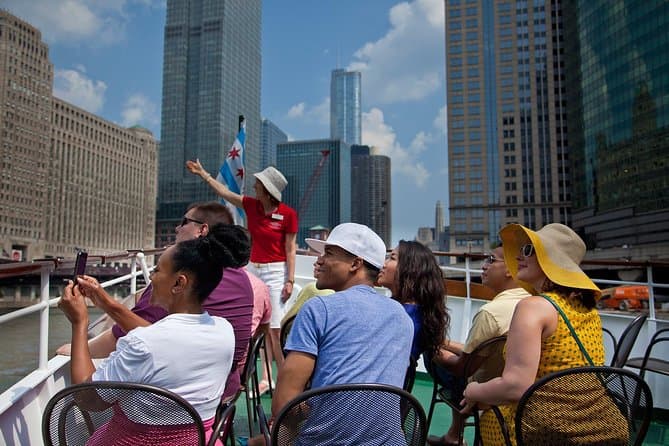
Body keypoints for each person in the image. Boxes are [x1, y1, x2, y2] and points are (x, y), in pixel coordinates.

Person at [59, 224, 247, 444]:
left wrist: (79, 323)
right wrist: (103, 300)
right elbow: (165, 344)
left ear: (179, 283)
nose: (152, 278)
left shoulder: (142, 344)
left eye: (157, 270)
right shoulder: (224, 331)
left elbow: (87, 398)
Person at [461, 223, 627, 445]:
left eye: (529, 250)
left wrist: (474, 391)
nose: (519, 255)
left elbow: (515, 387)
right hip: (602, 427)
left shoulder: (533, 307)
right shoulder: (586, 307)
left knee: (487, 417)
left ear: (551, 260)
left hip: (548, 432)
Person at [250, 223, 413, 446]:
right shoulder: (402, 317)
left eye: (329, 253)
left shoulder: (318, 309)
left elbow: (284, 405)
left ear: (356, 264)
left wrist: (318, 405)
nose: (319, 260)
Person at [186, 160, 297, 390]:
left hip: (276, 271)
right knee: (254, 326)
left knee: (274, 329)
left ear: (266, 189)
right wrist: (203, 173)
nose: (254, 187)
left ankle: (286, 380)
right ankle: (265, 378)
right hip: (252, 269)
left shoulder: (288, 215)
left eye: (258, 184)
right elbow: (225, 193)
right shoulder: (251, 206)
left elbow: (290, 248)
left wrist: (290, 280)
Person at [427, 244, 530, 446]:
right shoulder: (534, 303)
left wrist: (431, 348)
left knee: (437, 362)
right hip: (511, 379)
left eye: (490, 260)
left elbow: (464, 367)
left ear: (510, 269)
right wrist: (444, 343)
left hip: (485, 388)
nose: (483, 266)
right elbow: (482, 351)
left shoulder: (490, 313)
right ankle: (453, 435)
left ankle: (453, 436)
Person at [377, 240, 449, 363]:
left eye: (392, 258)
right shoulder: (420, 312)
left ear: (410, 268)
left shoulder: (401, 315)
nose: (383, 264)